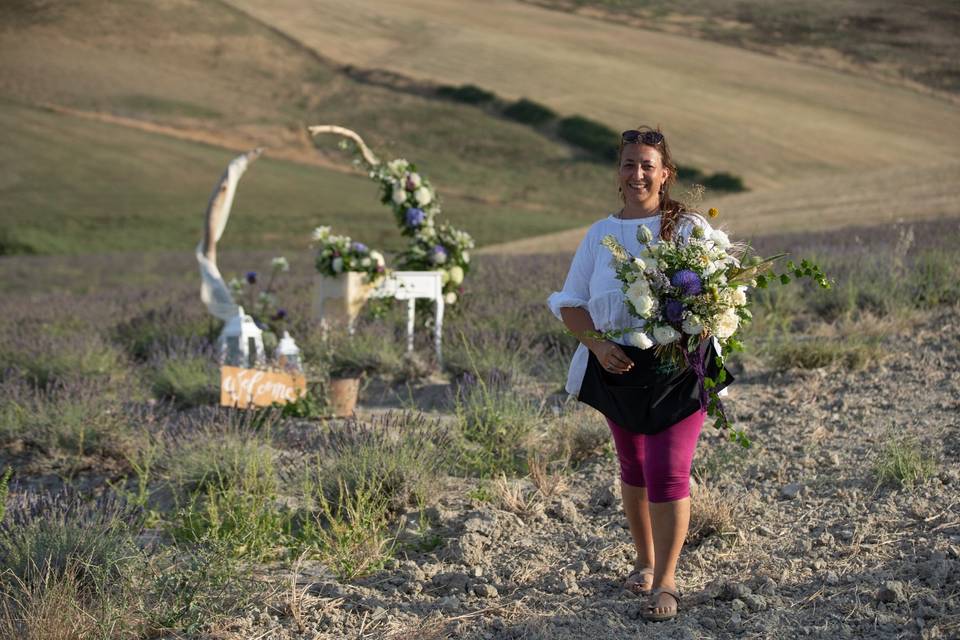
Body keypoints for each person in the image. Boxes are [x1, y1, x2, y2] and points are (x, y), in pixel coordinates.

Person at [547, 126, 716, 622]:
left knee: (668, 469)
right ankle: (643, 560)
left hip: (680, 366)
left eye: (647, 164)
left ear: (666, 174)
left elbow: (716, 292)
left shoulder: (689, 228)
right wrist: (597, 346)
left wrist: (696, 322)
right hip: (617, 365)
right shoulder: (599, 235)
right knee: (634, 468)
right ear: (617, 172)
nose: (637, 173)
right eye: (628, 164)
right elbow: (569, 303)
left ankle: (666, 580)